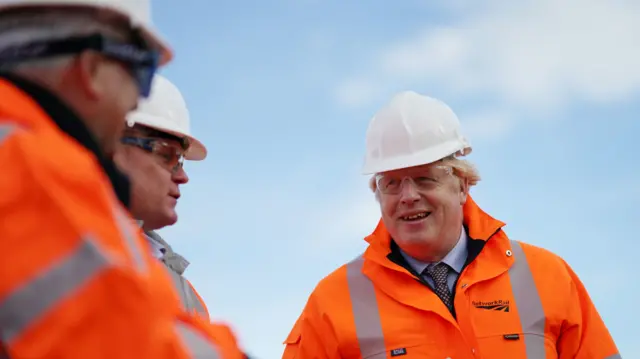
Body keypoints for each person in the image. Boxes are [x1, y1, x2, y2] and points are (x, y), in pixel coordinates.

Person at [282, 91, 621, 359]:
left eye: (424, 179)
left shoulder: (547, 276)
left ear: (462, 186)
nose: (408, 196)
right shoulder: (332, 302)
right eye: (392, 183)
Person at [0, 0, 224, 357]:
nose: (135, 100)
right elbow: (131, 342)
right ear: (92, 69)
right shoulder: (27, 172)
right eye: (144, 74)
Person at [114, 74, 249, 358]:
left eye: (182, 161)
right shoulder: (55, 243)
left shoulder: (182, 289)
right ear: (113, 144)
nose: (183, 176)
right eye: (167, 155)